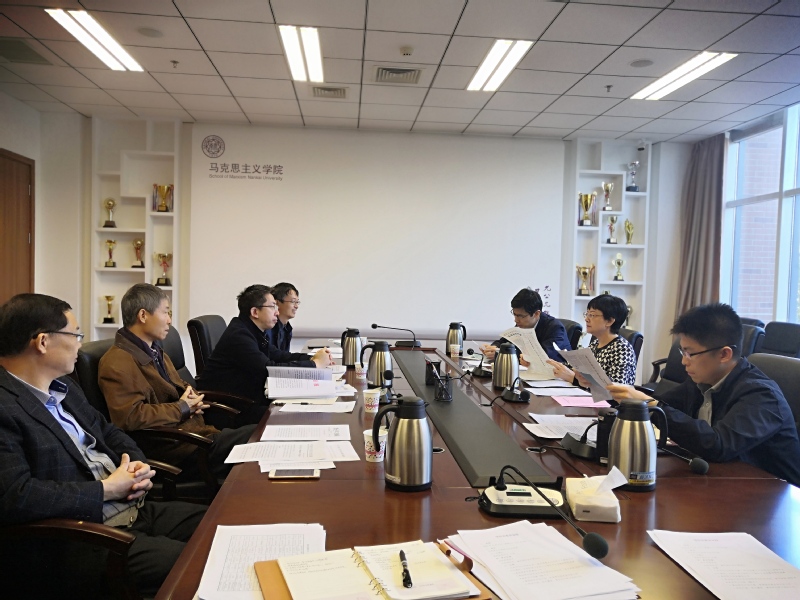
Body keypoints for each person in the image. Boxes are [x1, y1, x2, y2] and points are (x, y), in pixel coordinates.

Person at [0, 293, 206, 598]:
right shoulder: (5, 406)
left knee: (219, 525)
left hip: (131, 508)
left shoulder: (65, 388)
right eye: (75, 334)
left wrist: (136, 464)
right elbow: (16, 496)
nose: (79, 344)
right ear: (43, 342)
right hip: (83, 539)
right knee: (201, 565)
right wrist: (106, 489)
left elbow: (109, 431)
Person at [608, 303, 800, 486]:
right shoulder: (703, 380)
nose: (684, 361)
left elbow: (717, 445)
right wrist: (623, 395)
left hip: (773, 496)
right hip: (723, 482)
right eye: (682, 352)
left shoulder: (762, 396)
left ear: (724, 354)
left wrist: (650, 405)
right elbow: (664, 403)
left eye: (690, 354)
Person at [98, 284, 256, 478]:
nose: (169, 320)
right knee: (258, 436)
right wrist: (182, 408)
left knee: (260, 433)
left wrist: (193, 400)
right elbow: (130, 417)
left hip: (196, 436)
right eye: (165, 312)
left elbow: (180, 385)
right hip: (178, 450)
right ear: (143, 315)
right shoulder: (117, 363)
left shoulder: (154, 350)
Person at [198, 284, 334, 404]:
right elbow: (268, 369)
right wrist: (315, 364)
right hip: (233, 407)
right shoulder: (239, 335)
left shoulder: (253, 330)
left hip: (248, 397)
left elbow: (278, 355)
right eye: (272, 306)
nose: (277, 312)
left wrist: (312, 358)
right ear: (255, 312)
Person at [548, 294, 637, 386]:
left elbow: (617, 389)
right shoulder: (595, 344)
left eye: (592, 315)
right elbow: (573, 368)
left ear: (609, 321)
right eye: (587, 314)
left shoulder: (622, 349)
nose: (586, 319)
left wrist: (573, 379)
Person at [480, 287, 570, 364]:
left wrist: (502, 354)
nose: (516, 320)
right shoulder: (523, 323)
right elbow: (506, 341)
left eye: (520, 316)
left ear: (536, 314)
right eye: (514, 314)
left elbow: (542, 356)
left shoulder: (555, 328)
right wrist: (494, 348)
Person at [269, 281, 300, 352]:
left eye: (297, 302)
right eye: (293, 302)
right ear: (277, 303)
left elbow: (285, 356)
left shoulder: (287, 328)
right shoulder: (269, 328)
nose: (296, 306)